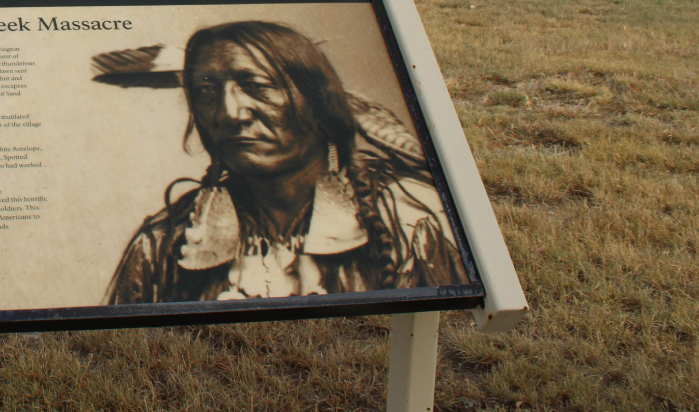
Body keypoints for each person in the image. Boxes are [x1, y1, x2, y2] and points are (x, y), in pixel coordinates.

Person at [105, 21, 468, 305]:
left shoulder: (410, 221)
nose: (231, 113)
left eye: (258, 86)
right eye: (206, 91)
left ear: (316, 104)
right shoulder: (165, 241)